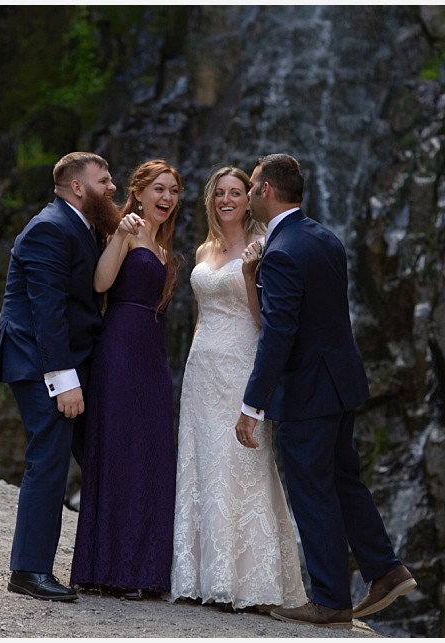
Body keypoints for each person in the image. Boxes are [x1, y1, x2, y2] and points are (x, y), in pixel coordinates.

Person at [234, 154, 417, 627]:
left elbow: (279, 334)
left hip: (305, 394)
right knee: (343, 480)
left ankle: (331, 599)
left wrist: (252, 404)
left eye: (252, 186)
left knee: (312, 491)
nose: (249, 193)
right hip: (341, 384)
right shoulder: (324, 239)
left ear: (268, 191)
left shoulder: (280, 253)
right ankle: (386, 568)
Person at [170, 167, 306, 611]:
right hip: (201, 368)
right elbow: (199, 316)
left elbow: (266, 320)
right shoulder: (203, 249)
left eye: (235, 193)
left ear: (250, 199)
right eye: (219, 193)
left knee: (242, 463)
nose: (227, 199)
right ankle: (200, 576)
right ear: (210, 201)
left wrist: (249, 273)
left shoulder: (263, 246)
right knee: (200, 462)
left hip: (241, 365)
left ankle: (250, 583)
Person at [0, 151, 120, 601]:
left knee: (100, 457)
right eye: (104, 180)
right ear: (78, 187)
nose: (112, 187)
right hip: (39, 361)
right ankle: (28, 571)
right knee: (48, 460)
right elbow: (46, 310)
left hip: (68, 360)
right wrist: (63, 379)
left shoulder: (82, 228)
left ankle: (112, 567)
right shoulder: (50, 227)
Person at [70, 159, 183, 600]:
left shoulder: (164, 245)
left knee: (153, 453)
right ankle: (109, 568)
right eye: (159, 189)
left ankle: (147, 570)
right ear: (138, 192)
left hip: (153, 355)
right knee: (118, 451)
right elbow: (101, 282)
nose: (167, 198)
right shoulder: (128, 230)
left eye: (173, 191)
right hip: (119, 349)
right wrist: (119, 236)